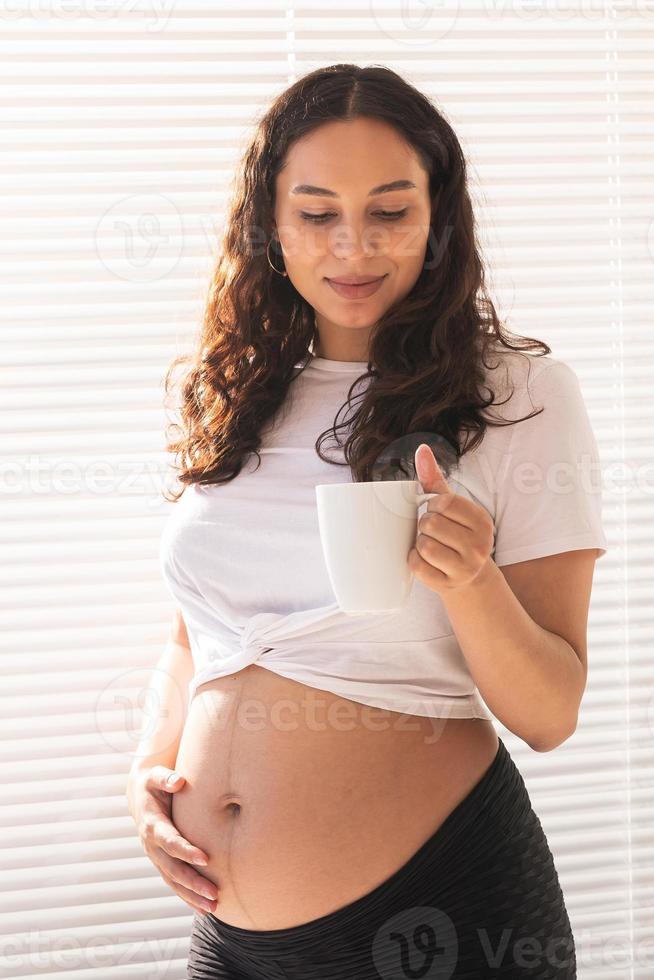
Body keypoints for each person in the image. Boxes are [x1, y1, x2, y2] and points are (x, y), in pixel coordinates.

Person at [126, 64, 608, 979]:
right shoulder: (232, 394)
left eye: (390, 212)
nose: (353, 247)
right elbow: (198, 637)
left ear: (439, 222)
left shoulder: (521, 396)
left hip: (436, 918)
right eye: (316, 214)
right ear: (269, 226)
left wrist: (471, 581)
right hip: (232, 936)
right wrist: (146, 773)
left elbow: (550, 713)